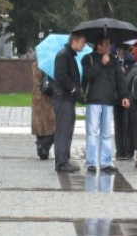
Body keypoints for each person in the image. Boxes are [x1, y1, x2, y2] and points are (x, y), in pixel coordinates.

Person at [81, 37, 130, 174]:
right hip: (94, 100)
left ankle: (105, 162)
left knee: (106, 133)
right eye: (106, 44)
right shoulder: (88, 59)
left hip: (109, 100)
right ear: (98, 46)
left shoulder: (113, 60)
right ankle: (91, 162)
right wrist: (101, 64)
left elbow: (119, 80)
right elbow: (87, 76)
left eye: (110, 44)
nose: (109, 47)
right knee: (92, 133)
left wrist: (124, 96)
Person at [53, 32, 86, 173]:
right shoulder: (64, 55)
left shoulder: (68, 54)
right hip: (63, 98)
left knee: (67, 130)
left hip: (67, 98)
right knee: (63, 131)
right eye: (82, 42)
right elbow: (61, 76)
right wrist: (72, 89)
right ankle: (61, 162)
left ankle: (64, 160)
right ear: (74, 41)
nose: (84, 45)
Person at [31, 62, 56, 160]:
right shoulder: (38, 64)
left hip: (46, 96)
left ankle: (43, 147)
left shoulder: (46, 64)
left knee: (47, 125)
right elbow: (38, 78)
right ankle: (43, 147)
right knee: (44, 124)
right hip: (43, 95)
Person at [113, 44, 134, 161]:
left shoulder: (130, 60)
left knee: (128, 124)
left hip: (127, 95)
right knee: (118, 124)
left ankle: (128, 150)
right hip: (117, 97)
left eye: (121, 49)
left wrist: (124, 72)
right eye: (117, 49)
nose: (119, 51)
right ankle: (120, 150)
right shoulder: (113, 60)